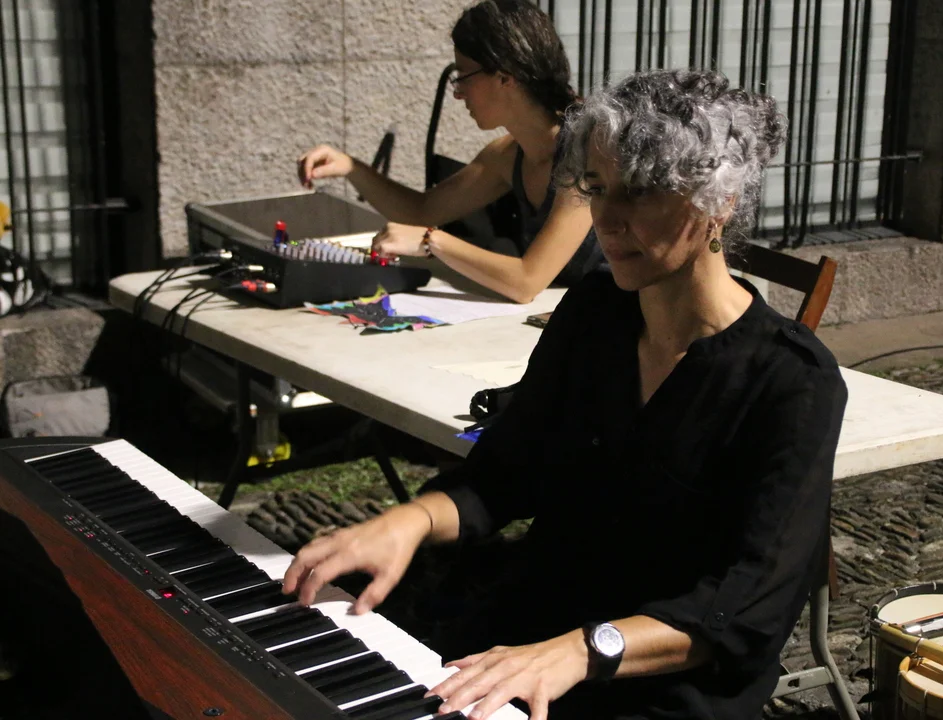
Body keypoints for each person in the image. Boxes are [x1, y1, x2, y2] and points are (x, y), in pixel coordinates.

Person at [283, 69, 848, 720]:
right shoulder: (594, 313)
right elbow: (502, 476)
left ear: (718, 200)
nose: (606, 219)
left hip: (659, 689)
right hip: (535, 632)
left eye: (640, 191)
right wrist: (404, 524)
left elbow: (745, 610)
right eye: (598, 188)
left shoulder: (793, 382)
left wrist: (581, 651)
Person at [296, 0, 604, 304]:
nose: (457, 93)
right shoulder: (507, 156)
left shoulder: (586, 153)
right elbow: (421, 211)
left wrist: (431, 241)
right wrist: (351, 167)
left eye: (463, 76)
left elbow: (526, 281)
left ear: (504, 77)